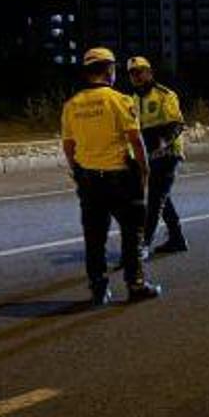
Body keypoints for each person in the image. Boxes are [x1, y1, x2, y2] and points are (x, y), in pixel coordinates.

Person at [61, 47, 163, 305]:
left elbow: (69, 147)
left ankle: (98, 289)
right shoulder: (120, 100)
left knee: (94, 237)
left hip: (89, 180)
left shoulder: (71, 105)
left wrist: (78, 172)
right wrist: (144, 170)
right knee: (132, 233)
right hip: (120, 178)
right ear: (109, 70)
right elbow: (135, 140)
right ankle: (136, 284)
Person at [126, 56, 188, 255]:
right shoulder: (132, 100)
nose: (137, 76)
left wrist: (162, 143)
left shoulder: (164, 94)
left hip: (168, 153)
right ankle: (177, 238)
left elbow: (177, 124)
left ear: (149, 72)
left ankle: (143, 244)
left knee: (154, 198)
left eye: (140, 71)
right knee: (162, 196)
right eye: (132, 73)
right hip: (149, 155)